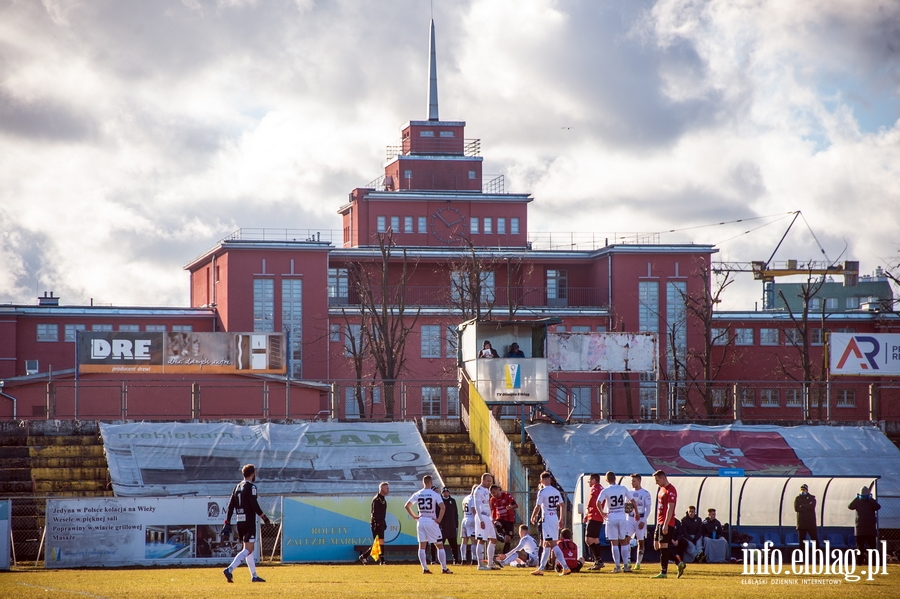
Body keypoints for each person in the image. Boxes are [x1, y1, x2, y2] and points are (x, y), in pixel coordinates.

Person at [223, 463, 270, 583]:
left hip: (240, 521)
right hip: (249, 521)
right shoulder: (251, 487)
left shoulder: (237, 487)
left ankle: (254, 576)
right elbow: (254, 504)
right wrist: (264, 517)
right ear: (253, 474)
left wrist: (227, 521)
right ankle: (229, 569)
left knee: (249, 549)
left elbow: (230, 506)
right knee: (248, 549)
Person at [405, 475, 452, 574]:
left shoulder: (418, 493)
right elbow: (443, 507)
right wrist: (439, 519)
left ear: (423, 483)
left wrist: (414, 516)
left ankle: (425, 568)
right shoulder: (434, 494)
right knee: (439, 545)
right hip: (431, 520)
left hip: (421, 521)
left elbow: (407, 505)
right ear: (431, 483)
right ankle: (444, 568)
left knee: (422, 546)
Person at [530, 471, 570, 576]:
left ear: (541, 481)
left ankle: (565, 567)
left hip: (547, 519)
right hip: (554, 518)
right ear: (550, 480)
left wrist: (533, 516)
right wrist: (561, 519)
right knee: (546, 544)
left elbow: (538, 506)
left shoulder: (542, 492)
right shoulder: (556, 491)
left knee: (552, 544)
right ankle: (541, 568)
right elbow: (562, 505)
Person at [597, 471, 637, 573]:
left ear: (606, 480)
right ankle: (626, 566)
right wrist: (636, 512)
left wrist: (602, 513)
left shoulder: (605, 491)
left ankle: (617, 566)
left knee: (614, 543)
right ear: (615, 478)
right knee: (623, 541)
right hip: (622, 516)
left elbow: (598, 503)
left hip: (611, 516)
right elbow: (632, 500)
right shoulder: (623, 488)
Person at [652, 470, 680, 579]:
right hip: (659, 521)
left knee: (664, 546)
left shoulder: (671, 490)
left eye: (657, 480)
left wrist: (666, 524)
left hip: (666, 522)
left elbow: (670, 508)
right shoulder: (661, 489)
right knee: (656, 546)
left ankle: (663, 572)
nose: (656, 482)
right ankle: (678, 562)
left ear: (663, 478)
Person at [473, 473, 500, 570]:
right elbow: (477, 505)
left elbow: (487, 505)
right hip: (482, 517)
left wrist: (491, 518)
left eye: (490, 481)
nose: (489, 483)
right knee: (482, 540)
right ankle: (480, 565)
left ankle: (490, 563)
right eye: (488, 481)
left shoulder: (485, 491)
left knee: (493, 539)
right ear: (483, 480)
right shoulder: (478, 490)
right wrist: (480, 519)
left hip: (487, 517)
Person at [626, 473, 652, 570]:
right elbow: (626, 507)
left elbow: (648, 508)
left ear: (639, 481)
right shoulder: (629, 492)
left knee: (640, 541)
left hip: (640, 518)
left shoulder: (645, 493)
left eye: (634, 481)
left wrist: (643, 520)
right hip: (630, 518)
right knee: (626, 539)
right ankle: (628, 561)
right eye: (631, 481)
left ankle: (638, 562)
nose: (632, 483)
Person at [848, 486, 881, 563]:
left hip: (869, 528)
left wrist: (871, 499)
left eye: (866, 493)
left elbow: (877, 507)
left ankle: (873, 562)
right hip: (861, 528)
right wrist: (856, 498)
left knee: (872, 547)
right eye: (863, 493)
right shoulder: (858, 501)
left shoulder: (871, 502)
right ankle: (859, 562)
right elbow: (850, 506)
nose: (864, 494)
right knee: (860, 547)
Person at [360, 481, 389, 565]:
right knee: (378, 542)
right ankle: (380, 560)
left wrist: (384, 522)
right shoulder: (376, 499)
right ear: (382, 489)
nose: (388, 490)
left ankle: (365, 556)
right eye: (386, 488)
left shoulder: (383, 500)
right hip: (376, 523)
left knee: (381, 541)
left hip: (381, 522)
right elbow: (374, 513)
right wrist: (377, 523)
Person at [583, 473, 606, 570]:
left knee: (588, 540)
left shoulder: (594, 488)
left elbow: (592, 500)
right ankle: (599, 561)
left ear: (593, 480)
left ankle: (598, 560)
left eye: (589, 480)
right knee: (596, 539)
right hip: (600, 517)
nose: (589, 482)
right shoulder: (602, 488)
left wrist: (587, 512)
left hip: (593, 516)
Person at [489, 484, 518, 553]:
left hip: (509, 519)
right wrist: (493, 519)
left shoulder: (506, 495)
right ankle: (500, 535)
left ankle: (505, 554)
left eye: (494, 492)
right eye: (492, 494)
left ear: (498, 490)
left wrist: (511, 507)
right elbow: (493, 510)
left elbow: (515, 505)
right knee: (497, 523)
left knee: (508, 539)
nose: (493, 495)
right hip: (500, 518)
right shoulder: (492, 500)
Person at [438, 487, 460, 565]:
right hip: (443, 527)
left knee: (454, 545)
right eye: (444, 492)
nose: (446, 493)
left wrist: (456, 525)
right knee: (440, 545)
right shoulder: (439, 501)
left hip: (451, 527)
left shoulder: (452, 501)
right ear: (442, 493)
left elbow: (455, 514)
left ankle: (456, 560)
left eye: (447, 492)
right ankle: (440, 561)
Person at [795, 483, 818, 548]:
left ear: (807, 490)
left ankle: (818, 556)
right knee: (801, 541)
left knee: (815, 540)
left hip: (811, 523)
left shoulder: (812, 498)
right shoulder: (797, 498)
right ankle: (802, 556)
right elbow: (796, 508)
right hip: (801, 523)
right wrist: (807, 506)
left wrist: (802, 505)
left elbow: (812, 507)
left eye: (804, 489)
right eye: (802, 489)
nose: (803, 491)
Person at [459, 484, 478, 565]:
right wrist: (478, 519)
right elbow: (473, 509)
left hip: (465, 518)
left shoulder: (466, 498)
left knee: (464, 540)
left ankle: (463, 559)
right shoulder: (474, 498)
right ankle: (474, 559)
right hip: (471, 519)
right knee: (474, 540)